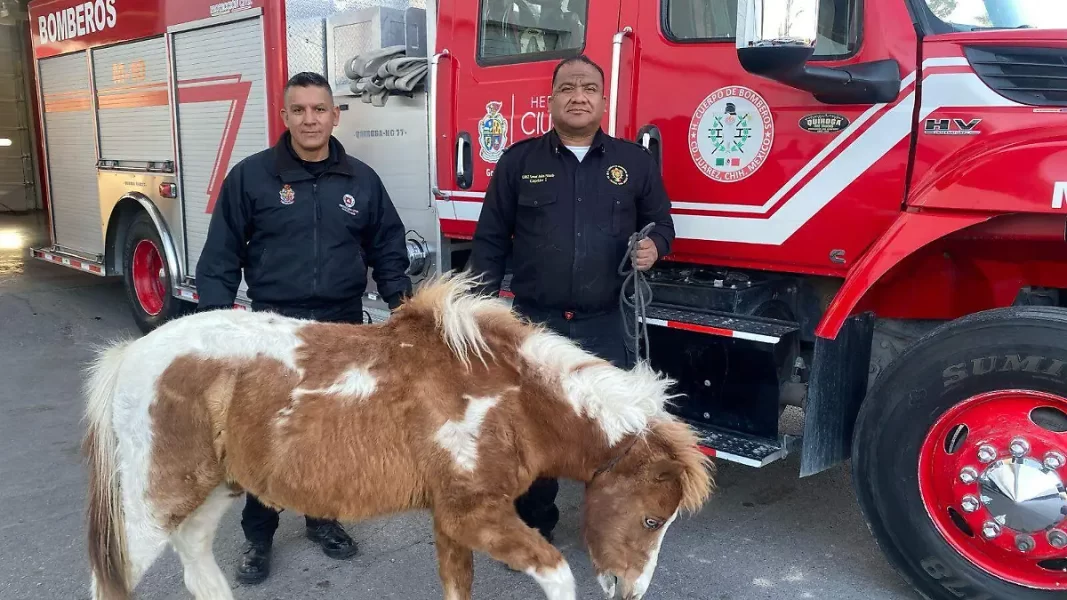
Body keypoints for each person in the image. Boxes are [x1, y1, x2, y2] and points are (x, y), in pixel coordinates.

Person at [194, 71, 413, 584]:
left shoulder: (361, 180)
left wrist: (404, 311)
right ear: (285, 115)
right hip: (275, 329)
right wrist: (214, 320)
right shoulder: (251, 177)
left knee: (332, 431)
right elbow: (221, 256)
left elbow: (388, 249)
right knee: (265, 436)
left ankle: (324, 520)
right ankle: (258, 538)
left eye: (319, 109)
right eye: (299, 110)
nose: (310, 119)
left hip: (342, 329)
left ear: (335, 115)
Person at [467, 54, 675, 542]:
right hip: (536, 326)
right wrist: (479, 315)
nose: (578, 96)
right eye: (567, 88)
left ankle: (609, 526)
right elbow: (491, 239)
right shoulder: (519, 161)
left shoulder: (634, 163)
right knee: (535, 435)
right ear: (552, 99)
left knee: (610, 434)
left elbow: (662, 223)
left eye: (588, 88)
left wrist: (654, 247)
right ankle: (536, 525)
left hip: (605, 324)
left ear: (603, 99)